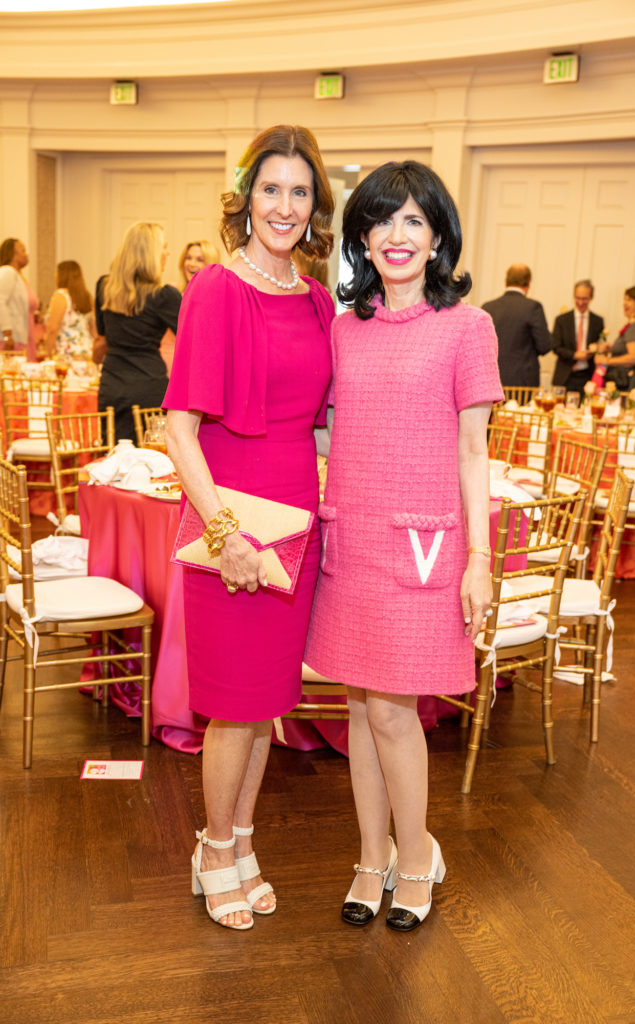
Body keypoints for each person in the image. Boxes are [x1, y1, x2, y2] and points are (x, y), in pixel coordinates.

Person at [305, 161, 503, 931]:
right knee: (358, 705)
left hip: (425, 548)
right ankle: (370, 854)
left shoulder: (467, 326)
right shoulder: (343, 329)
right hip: (350, 541)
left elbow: (472, 451)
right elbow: (328, 427)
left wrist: (481, 562)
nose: (397, 235)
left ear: (438, 236)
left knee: (393, 712)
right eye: (383, 220)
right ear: (361, 235)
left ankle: (417, 854)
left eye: (414, 221)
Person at [163, 125, 335, 931]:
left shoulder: (318, 298)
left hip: (297, 518)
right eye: (272, 189)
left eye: (300, 192)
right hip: (232, 519)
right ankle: (212, 847)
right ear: (246, 198)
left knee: (268, 698)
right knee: (233, 704)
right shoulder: (215, 291)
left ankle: (242, 841)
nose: (285, 206)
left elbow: (328, 423)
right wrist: (224, 529)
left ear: (315, 207)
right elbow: (179, 429)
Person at [97, 222, 181, 441]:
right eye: (164, 247)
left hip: (112, 384)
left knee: (112, 458)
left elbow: (102, 334)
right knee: (153, 461)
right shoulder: (164, 296)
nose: (168, 253)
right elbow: (193, 339)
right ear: (150, 253)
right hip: (148, 386)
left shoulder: (104, 287)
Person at [482, 264, 552, 386]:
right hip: (522, 382)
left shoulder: (488, 307)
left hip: (490, 378)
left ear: (506, 281)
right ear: (528, 283)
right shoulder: (533, 307)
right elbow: (544, 346)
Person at [593, 286, 635, 391]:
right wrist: (612, 349)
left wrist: (606, 360)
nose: (625, 303)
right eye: (624, 299)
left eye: (629, 300)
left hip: (627, 384)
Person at [551, 279, 604, 394]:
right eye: (577, 298)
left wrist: (596, 349)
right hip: (565, 375)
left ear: (591, 298)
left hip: (587, 376)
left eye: (584, 299)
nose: (580, 302)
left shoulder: (598, 321)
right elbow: (556, 347)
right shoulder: (562, 320)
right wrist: (575, 355)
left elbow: (600, 347)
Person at [44, 260, 95, 362]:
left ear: (63, 275)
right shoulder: (87, 296)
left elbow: (52, 329)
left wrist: (48, 355)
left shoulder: (61, 295)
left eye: (57, 272)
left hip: (66, 354)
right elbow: (93, 328)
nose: (55, 275)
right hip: (86, 352)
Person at [0, 237, 38, 358]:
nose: (26, 255)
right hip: (11, 340)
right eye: (23, 251)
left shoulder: (18, 277)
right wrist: (7, 335)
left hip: (24, 337)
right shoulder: (7, 272)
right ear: (13, 254)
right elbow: (0, 300)